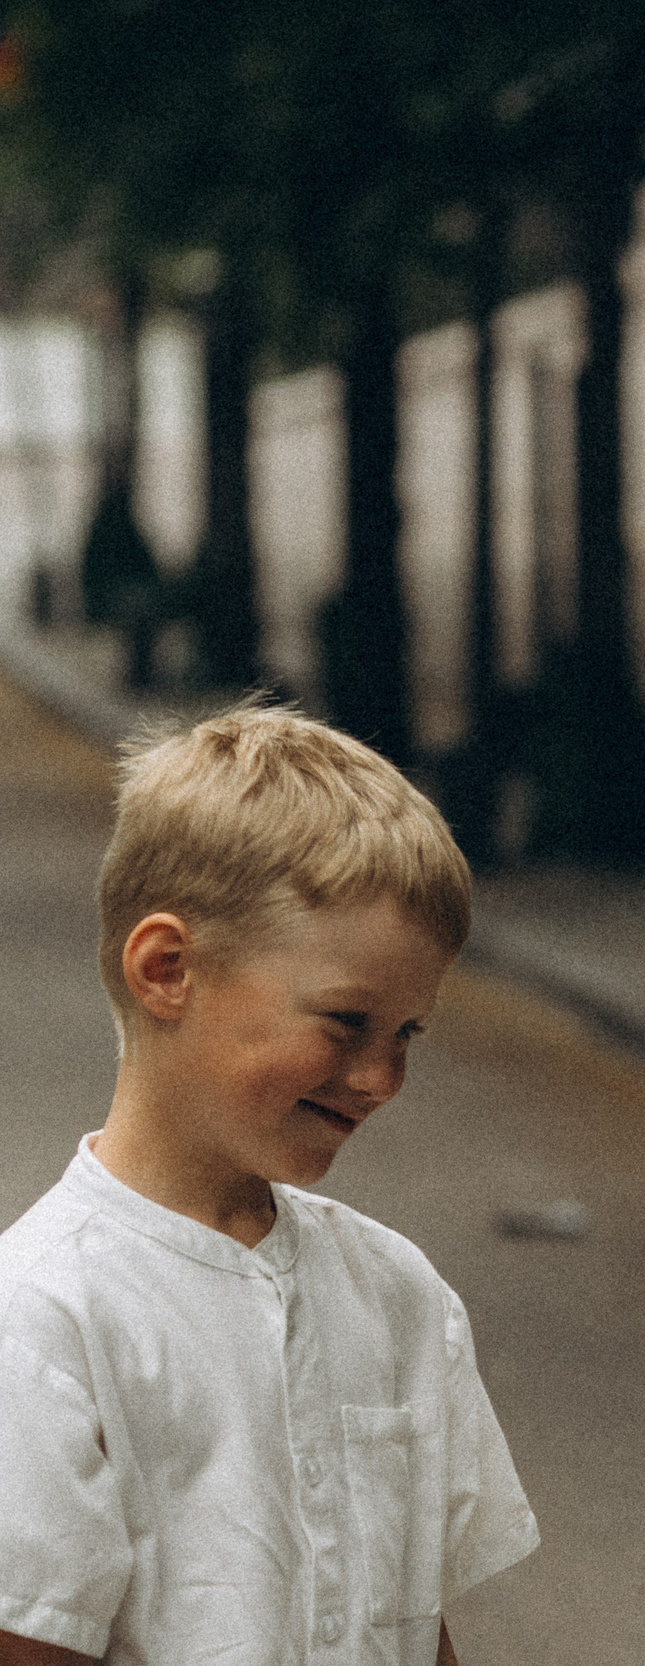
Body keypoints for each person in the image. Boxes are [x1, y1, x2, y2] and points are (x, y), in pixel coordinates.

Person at [0, 704, 536, 1666]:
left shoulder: (398, 1292)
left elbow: (420, 1624)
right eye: (345, 1022)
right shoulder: (42, 1321)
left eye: (407, 1034)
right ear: (167, 970)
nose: (380, 1079)